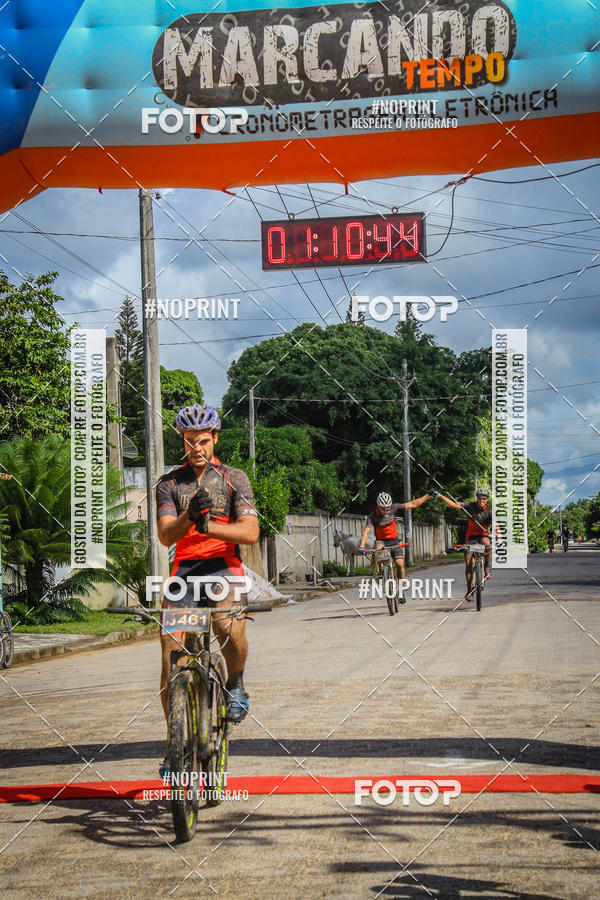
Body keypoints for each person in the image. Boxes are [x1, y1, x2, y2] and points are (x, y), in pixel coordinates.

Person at [155, 403, 259, 776]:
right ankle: (175, 743)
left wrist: (208, 526)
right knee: (171, 652)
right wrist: (189, 516)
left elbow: (250, 532)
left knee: (226, 625)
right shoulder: (169, 483)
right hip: (185, 572)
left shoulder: (234, 478)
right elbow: (166, 535)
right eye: (189, 441)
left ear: (215, 439)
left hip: (223, 567)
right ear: (181, 441)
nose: (196, 448)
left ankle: (236, 683)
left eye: (202, 441)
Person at [358, 490, 433, 600]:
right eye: (383, 508)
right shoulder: (373, 516)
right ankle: (382, 574)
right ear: (378, 506)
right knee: (378, 549)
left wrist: (428, 495)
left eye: (387, 508)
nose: (385, 511)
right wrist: (361, 546)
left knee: (400, 565)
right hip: (381, 541)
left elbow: (413, 504)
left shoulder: (394, 508)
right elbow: (366, 532)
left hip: (394, 541)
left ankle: (401, 591)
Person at [434, 487, 501, 601]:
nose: (482, 500)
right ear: (477, 498)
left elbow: (496, 527)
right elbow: (454, 504)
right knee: (468, 562)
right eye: (479, 498)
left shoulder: (490, 512)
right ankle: (469, 589)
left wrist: (500, 540)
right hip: (470, 538)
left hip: (482, 536)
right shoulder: (469, 506)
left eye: (484, 498)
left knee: (487, 544)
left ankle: (486, 565)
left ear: (487, 500)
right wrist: (440, 496)